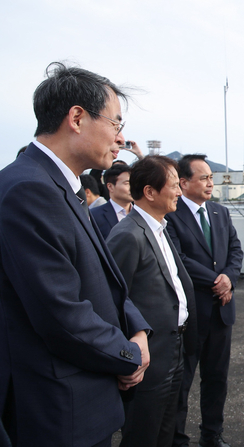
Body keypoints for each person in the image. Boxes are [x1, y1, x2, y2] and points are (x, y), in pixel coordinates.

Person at [0, 62, 151, 447]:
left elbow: (102, 275)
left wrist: (137, 327)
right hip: (57, 411)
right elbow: (60, 313)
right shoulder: (28, 190)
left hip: (82, 400)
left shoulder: (60, 186)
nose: (120, 137)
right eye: (115, 123)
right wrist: (128, 354)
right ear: (77, 118)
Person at [106, 156, 197, 447]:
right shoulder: (128, 235)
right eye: (174, 185)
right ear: (149, 192)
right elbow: (111, 299)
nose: (180, 192)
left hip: (174, 349)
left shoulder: (159, 228)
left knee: (165, 432)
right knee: (142, 434)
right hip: (149, 357)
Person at [166, 154, 244, 447]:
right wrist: (217, 281)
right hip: (191, 313)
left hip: (222, 312)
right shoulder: (171, 214)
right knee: (182, 382)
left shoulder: (220, 212)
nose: (211, 183)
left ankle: (212, 434)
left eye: (212, 177)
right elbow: (178, 259)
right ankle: (177, 439)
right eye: (204, 178)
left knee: (217, 379)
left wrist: (229, 278)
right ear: (183, 183)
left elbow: (235, 250)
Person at [91, 162, 133, 239]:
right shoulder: (94, 215)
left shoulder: (142, 213)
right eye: (127, 183)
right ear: (110, 187)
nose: (133, 187)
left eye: (134, 183)